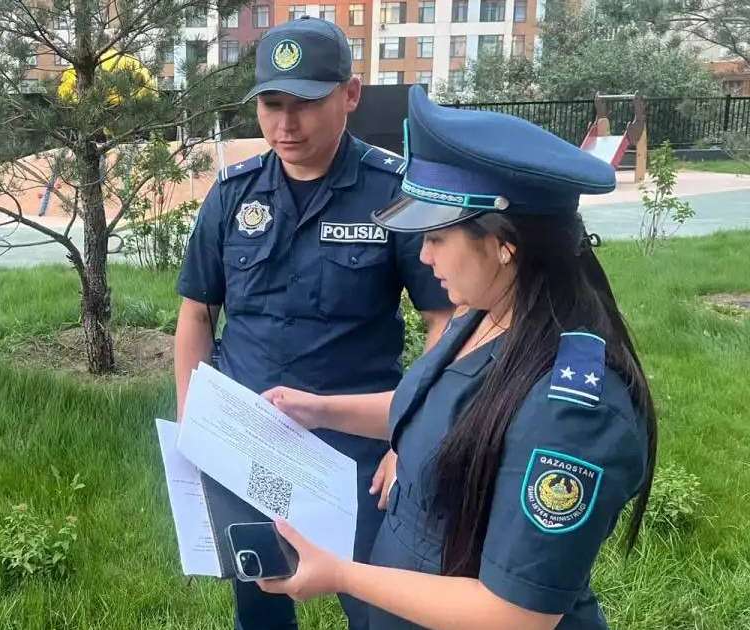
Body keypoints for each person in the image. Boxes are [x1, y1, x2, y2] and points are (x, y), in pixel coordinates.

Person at [256, 85, 657, 629]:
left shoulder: (573, 411)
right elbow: (438, 409)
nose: (421, 256)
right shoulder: (484, 312)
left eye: (437, 238)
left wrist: (340, 575)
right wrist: (320, 410)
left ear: (504, 244)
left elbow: (517, 615)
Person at [174, 17, 454, 630]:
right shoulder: (232, 194)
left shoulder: (393, 192)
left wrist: (410, 440)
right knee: (262, 603)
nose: (285, 124)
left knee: (380, 608)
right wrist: (195, 428)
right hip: (249, 444)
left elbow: (445, 320)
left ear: (350, 96)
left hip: (360, 451)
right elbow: (197, 312)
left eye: (305, 103)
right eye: (272, 104)